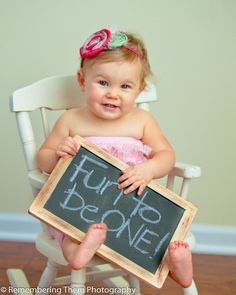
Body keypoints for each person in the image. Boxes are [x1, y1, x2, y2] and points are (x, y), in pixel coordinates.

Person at [37, 28, 192, 288]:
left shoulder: (142, 121)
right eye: (103, 83)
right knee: (70, 238)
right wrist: (57, 156)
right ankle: (81, 253)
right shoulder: (72, 119)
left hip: (130, 213)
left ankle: (179, 266)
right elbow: (42, 158)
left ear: (140, 90)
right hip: (81, 210)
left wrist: (149, 169)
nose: (113, 93)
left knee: (151, 237)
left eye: (125, 86)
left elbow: (167, 155)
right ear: (82, 80)